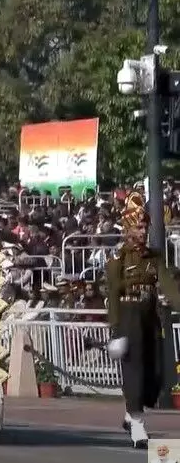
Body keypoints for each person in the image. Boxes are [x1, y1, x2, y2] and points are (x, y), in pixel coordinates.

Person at [105, 190, 180, 448]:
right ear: (127, 228)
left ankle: (130, 413)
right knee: (134, 371)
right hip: (128, 317)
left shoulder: (154, 257)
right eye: (137, 227)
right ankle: (137, 423)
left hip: (150, 316)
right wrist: (115, 330)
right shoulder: (117, 260)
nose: (142, 232)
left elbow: (168, 285)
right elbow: (113, 294)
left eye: (144, 227)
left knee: (155, 372)